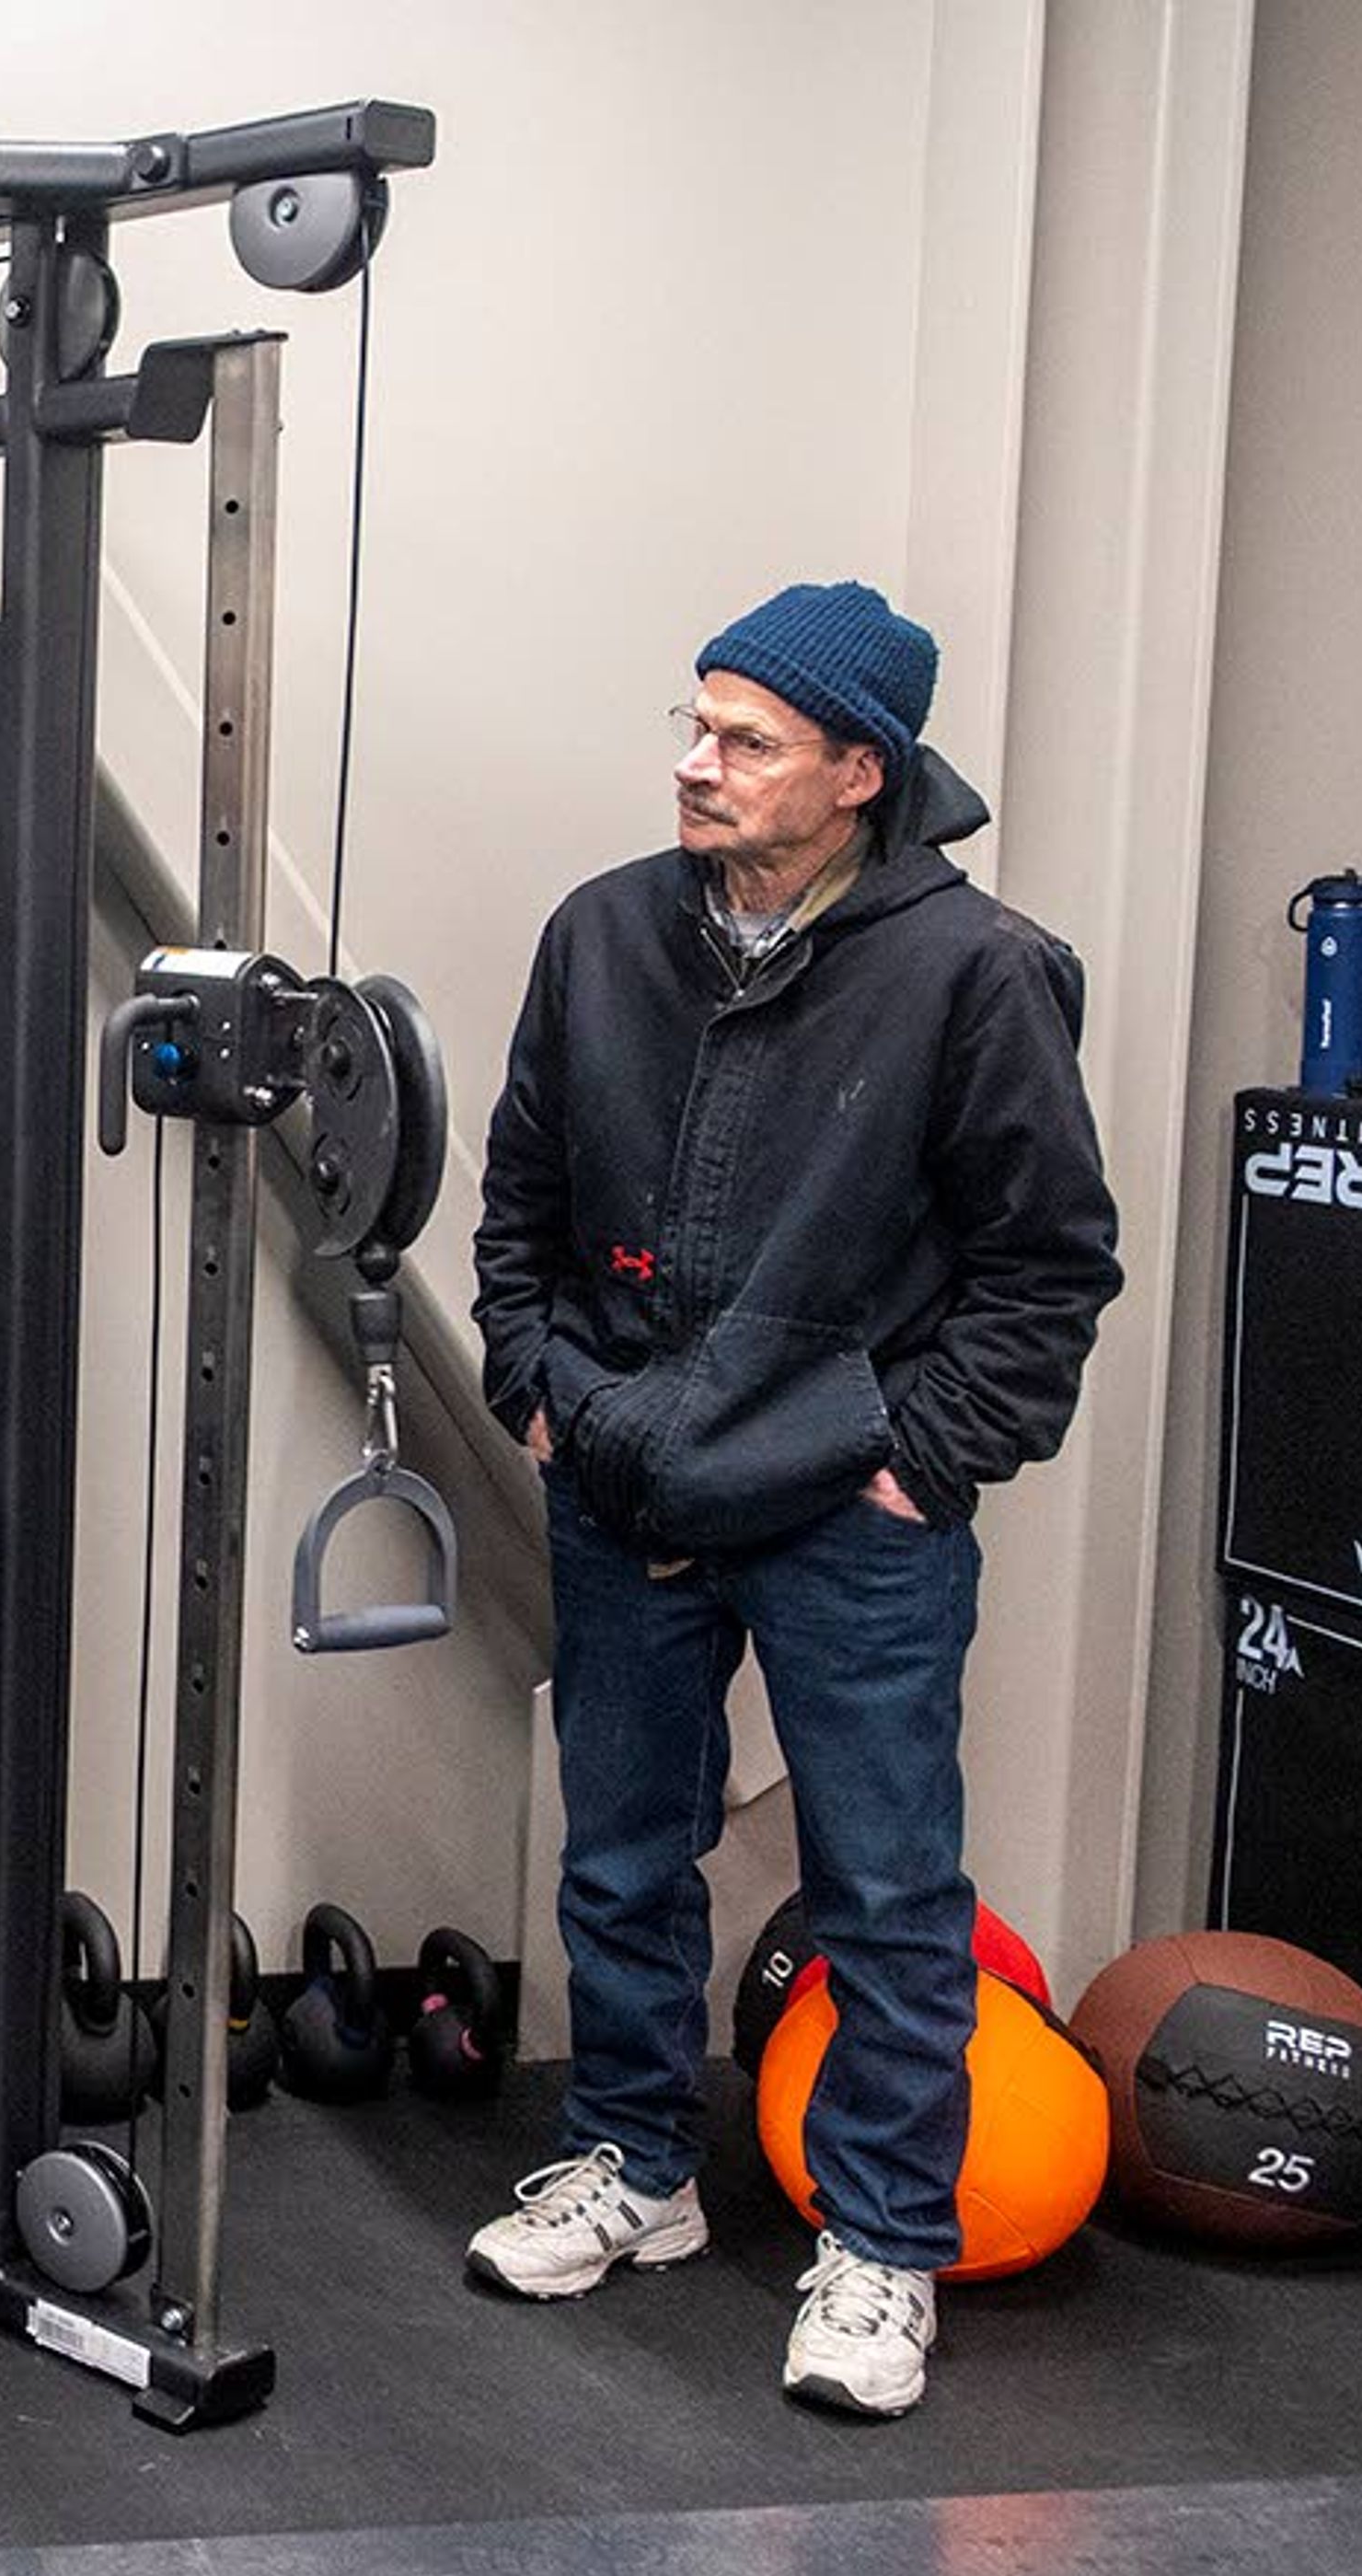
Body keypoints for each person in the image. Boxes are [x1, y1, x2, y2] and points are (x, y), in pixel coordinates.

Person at [463, 581, 1120, 2420]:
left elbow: (1049, 1263)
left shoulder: (978, 971)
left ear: (858, 769)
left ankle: (888, 2248)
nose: (697, 763)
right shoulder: (604, 937)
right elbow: (514, 1200)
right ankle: (639, 2171)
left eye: (745, 740)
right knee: (618, 1861)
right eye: (693, 724)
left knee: (887, 1891)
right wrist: (537, 1389)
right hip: (623, 1482)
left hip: (850, 1511)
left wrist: (923, 1460)